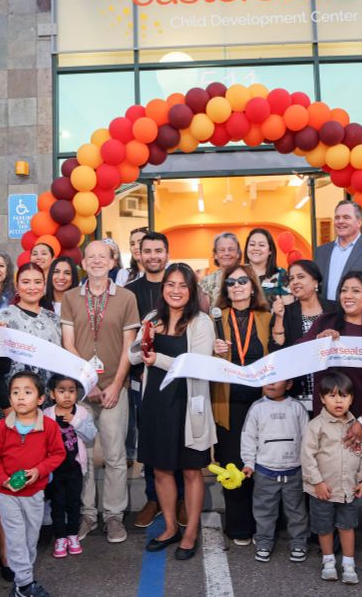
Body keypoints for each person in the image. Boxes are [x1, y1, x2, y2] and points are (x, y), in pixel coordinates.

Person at [301, 270, 362, 574]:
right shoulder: (327, 323)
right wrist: (316, 342)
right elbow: (297, 352)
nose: (348, 296)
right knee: (329, 473)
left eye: (356, 290)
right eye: (344, 290)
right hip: (327, 420)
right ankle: (333, 538)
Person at [130, 263, 215, 560]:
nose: (175, 291)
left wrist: (158, 360)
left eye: (182, 285)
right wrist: (140, 346)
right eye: (170, 284)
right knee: (162, 469)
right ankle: (169, 527)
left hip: (187, 403)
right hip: (155, 401)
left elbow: (199, 362)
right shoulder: (152, 318)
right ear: (163, 288)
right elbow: (134, 354)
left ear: (191, 290)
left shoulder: (201, 321)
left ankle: (190, 532)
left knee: (191, 470)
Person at [61, 240, 139, 544]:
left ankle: (114, 516)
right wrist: (87, 382)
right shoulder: (70, 298)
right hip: (81, 390)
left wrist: (116, 384)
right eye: (90, 257)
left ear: (112, 262)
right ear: (83, 262)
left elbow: (128, 346)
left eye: (102, 257)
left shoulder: (126, 297)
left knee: (116, 454)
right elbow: (68, 343)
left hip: (114, 388)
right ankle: (88, 514)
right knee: (83, 455)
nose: (96, 261)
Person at [0, 371, 65, 597]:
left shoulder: (49, 426)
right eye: (16, 392)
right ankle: (27, 583)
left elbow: (57, 454)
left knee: (30, 538)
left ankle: (21, 586)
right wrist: (2, 480)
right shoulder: (2, 427)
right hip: (6, 494)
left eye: (27, 392)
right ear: (9, 399)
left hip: (34, 493)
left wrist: (39, 471)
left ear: (40, 399)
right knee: (16, 538)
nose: (21, 397)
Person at [211, 263, 271, 544]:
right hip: (228, 403)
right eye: (231, 282)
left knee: (263, 466)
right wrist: (212, 350)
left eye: (242, 281)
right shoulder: (214, 318)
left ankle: (266, 527)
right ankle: (238, 527)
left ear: (253, 285)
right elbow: (201, 358)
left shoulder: (266, 316)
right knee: (233, 465)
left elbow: (278, 353)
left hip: (262, 404)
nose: (236, 286)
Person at [125, 231, 179, 528]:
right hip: (142, 377)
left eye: (159, 250)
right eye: (148, 251)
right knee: (148, 440)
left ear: (167, 254)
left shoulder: (179, 287)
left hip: (176, 376)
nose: (153, 256)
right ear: (139, 255)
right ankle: (152, 498)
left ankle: (180, 497)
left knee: (178, 439)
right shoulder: (129, 291)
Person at [301, 371, 362, 585]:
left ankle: (349, 564)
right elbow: (307, 457)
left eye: (343, 396)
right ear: (322, 399)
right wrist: (317, 482)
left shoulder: (356, 428)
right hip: (322, 490)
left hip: (348, 490)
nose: (338, 400)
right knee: (324, 528)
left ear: (351, 399)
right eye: (332, 396)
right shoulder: (316, 426)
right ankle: (328, 561)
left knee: (347, 525)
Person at [240, 378, 309, 563]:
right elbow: (248, 437)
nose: (270, 384)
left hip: (294, 470)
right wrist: (249, 462)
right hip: (265, 471)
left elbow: (307, 438)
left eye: (276, 381)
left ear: (289, 384)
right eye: (266, 380)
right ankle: (263, 542)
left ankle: (299, 542)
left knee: (296, 511)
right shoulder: (257, 407)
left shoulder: (297, 407)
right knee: (264, 511)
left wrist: (308, 465)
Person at [43, 374, 96, 558]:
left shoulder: (81, 413)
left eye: (71, 391)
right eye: (61, 391)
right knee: (57, 504)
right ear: (52, 394)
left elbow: (90, 435)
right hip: (55, 468)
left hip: (74, 468)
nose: (67, 396)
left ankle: (72, 534)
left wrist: (74, 420)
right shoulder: (46, 414)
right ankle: (60, 537)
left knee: (74, 502)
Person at [272, 259, 336, 400]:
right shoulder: (286, 312)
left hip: (332, 395)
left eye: (300, 277)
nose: (295, 282)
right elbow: (276, 349)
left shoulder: (335, 310)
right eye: (291, 278)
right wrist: (278, 317)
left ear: (315, 281)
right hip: (298, 394)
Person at [0, 263, 62, 389]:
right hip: (15, 396)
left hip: (50, 398)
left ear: (44, 285)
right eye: (26, 282)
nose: (32, 287)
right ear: (17, 286)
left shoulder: (54, 319)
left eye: (37, 282)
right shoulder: (3, 317)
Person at [313, 200, 362, 302]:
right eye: (337, 217)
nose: (340, 221)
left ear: (359, 222)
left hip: (361, 316)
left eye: (346, 217)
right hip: (327, 315)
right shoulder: (321, 252)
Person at [244, 228, 289, 304]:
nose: (256, 248)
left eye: (261, 245)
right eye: (252, 244)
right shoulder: (238, 274)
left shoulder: (281, 274)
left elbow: (289, 308)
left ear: (270, 251)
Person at [197, 232, 242, 304]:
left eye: (231, 249)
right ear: (215, 255)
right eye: (222, 250)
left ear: (238, 254)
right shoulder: (205, 282)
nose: (226, 253)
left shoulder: (248, 278)